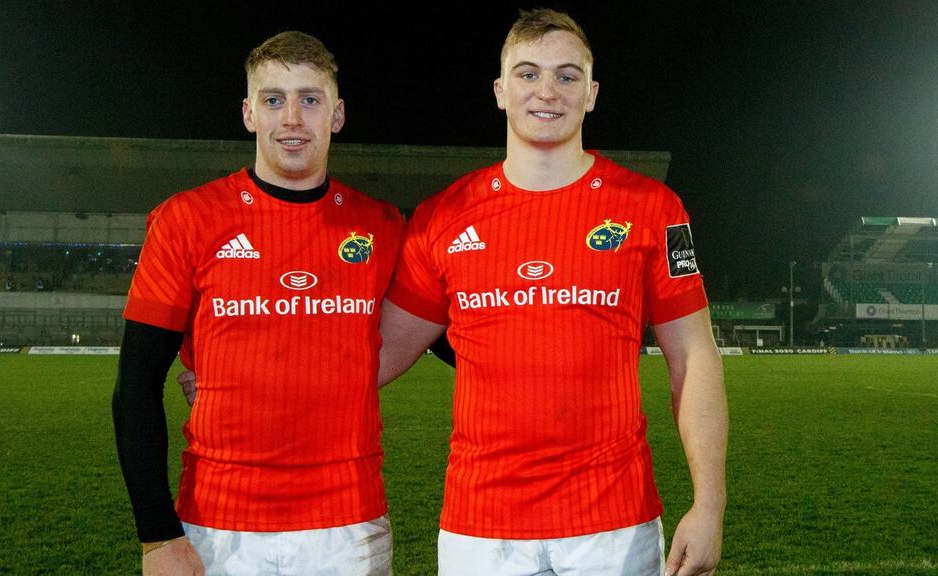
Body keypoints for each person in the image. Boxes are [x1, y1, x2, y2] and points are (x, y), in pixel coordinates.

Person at [376, 9, 727, 576]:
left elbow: (694, 356)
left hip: (614, 526)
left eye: (566, 76)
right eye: (527, 73)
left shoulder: (652, 208)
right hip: (480, 529)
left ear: (591, 93)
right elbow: (374, 355)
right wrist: (229, 369)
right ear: (499, 91)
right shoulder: (442, 218)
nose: (547, 91)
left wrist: (709, 505)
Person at [112, 31, 403, 575]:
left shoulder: (381, 226)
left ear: (336, 115)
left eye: (310, 99)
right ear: (249, 113)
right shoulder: (187, 220)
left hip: (350, 526)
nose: (292, 117)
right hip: (217, 525)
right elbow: (136, 383)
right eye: (274, 99)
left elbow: (451, 331)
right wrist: (156, 535)